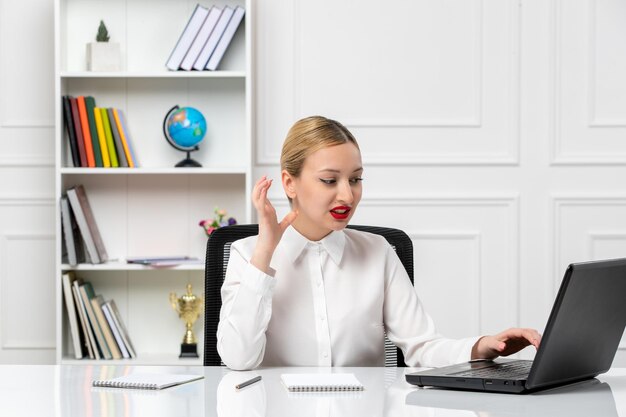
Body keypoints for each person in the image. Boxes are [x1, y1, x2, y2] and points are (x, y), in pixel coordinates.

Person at [217, 116, 541, 371]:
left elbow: (422, 346)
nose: (347, 195)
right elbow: (238, 358)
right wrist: (265, 254)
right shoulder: (247, 255)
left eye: (356, 179)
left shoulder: (378, 252)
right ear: (289, 182)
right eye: (330, 180)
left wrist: (482, 347)